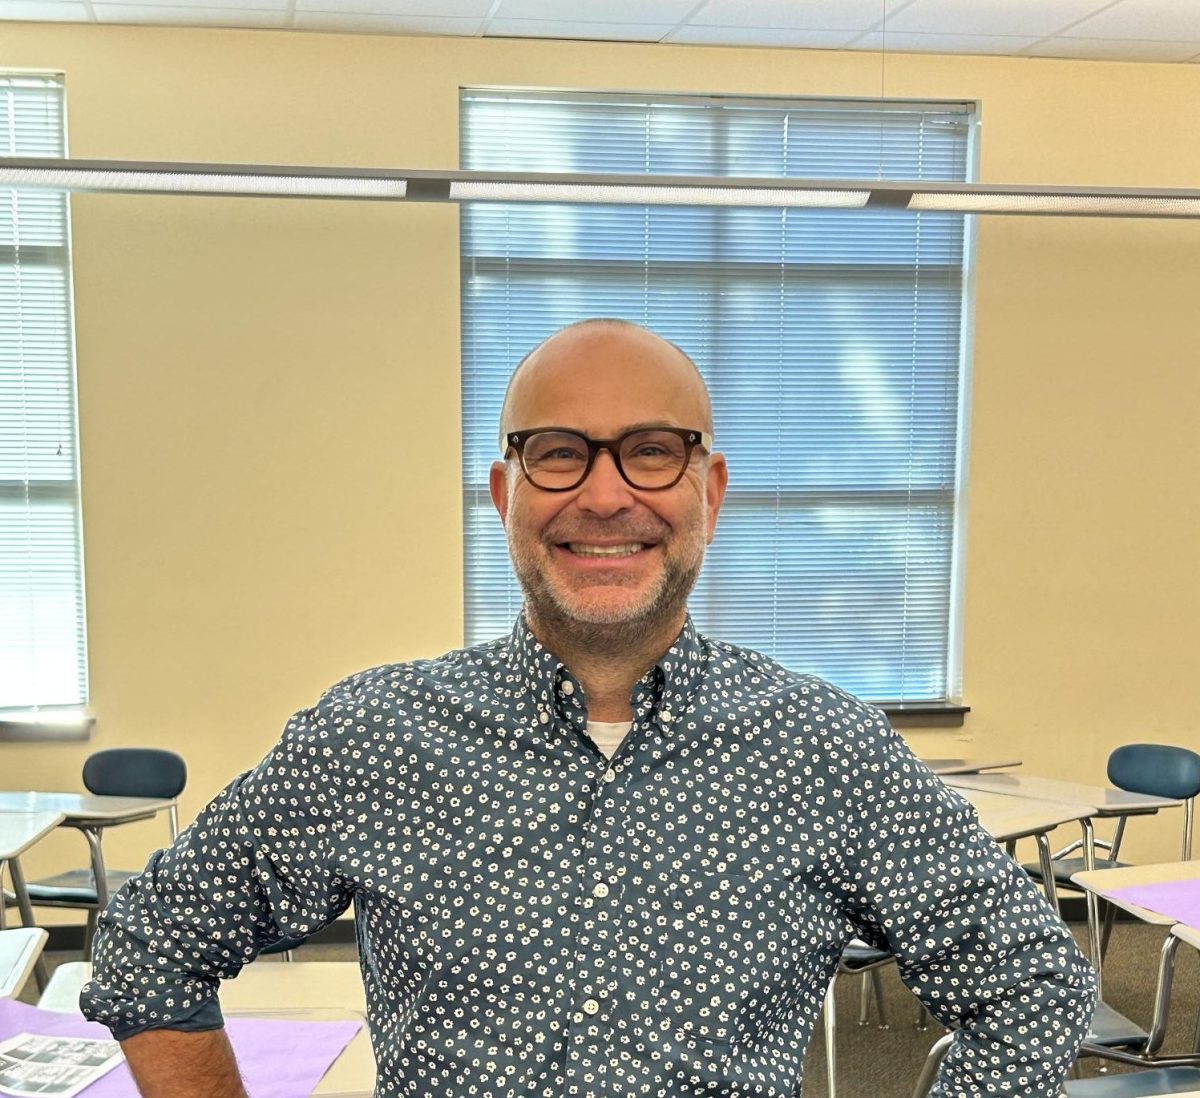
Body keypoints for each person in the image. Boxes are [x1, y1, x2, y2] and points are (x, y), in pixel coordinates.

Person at [81, 318, 1096, 1097]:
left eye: (653, 450)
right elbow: (150, 950)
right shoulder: (373, 738)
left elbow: (1035, 987)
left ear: (712, 489)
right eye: (559, 452)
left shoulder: (824, 750)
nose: (605, 496)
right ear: (505, 492)